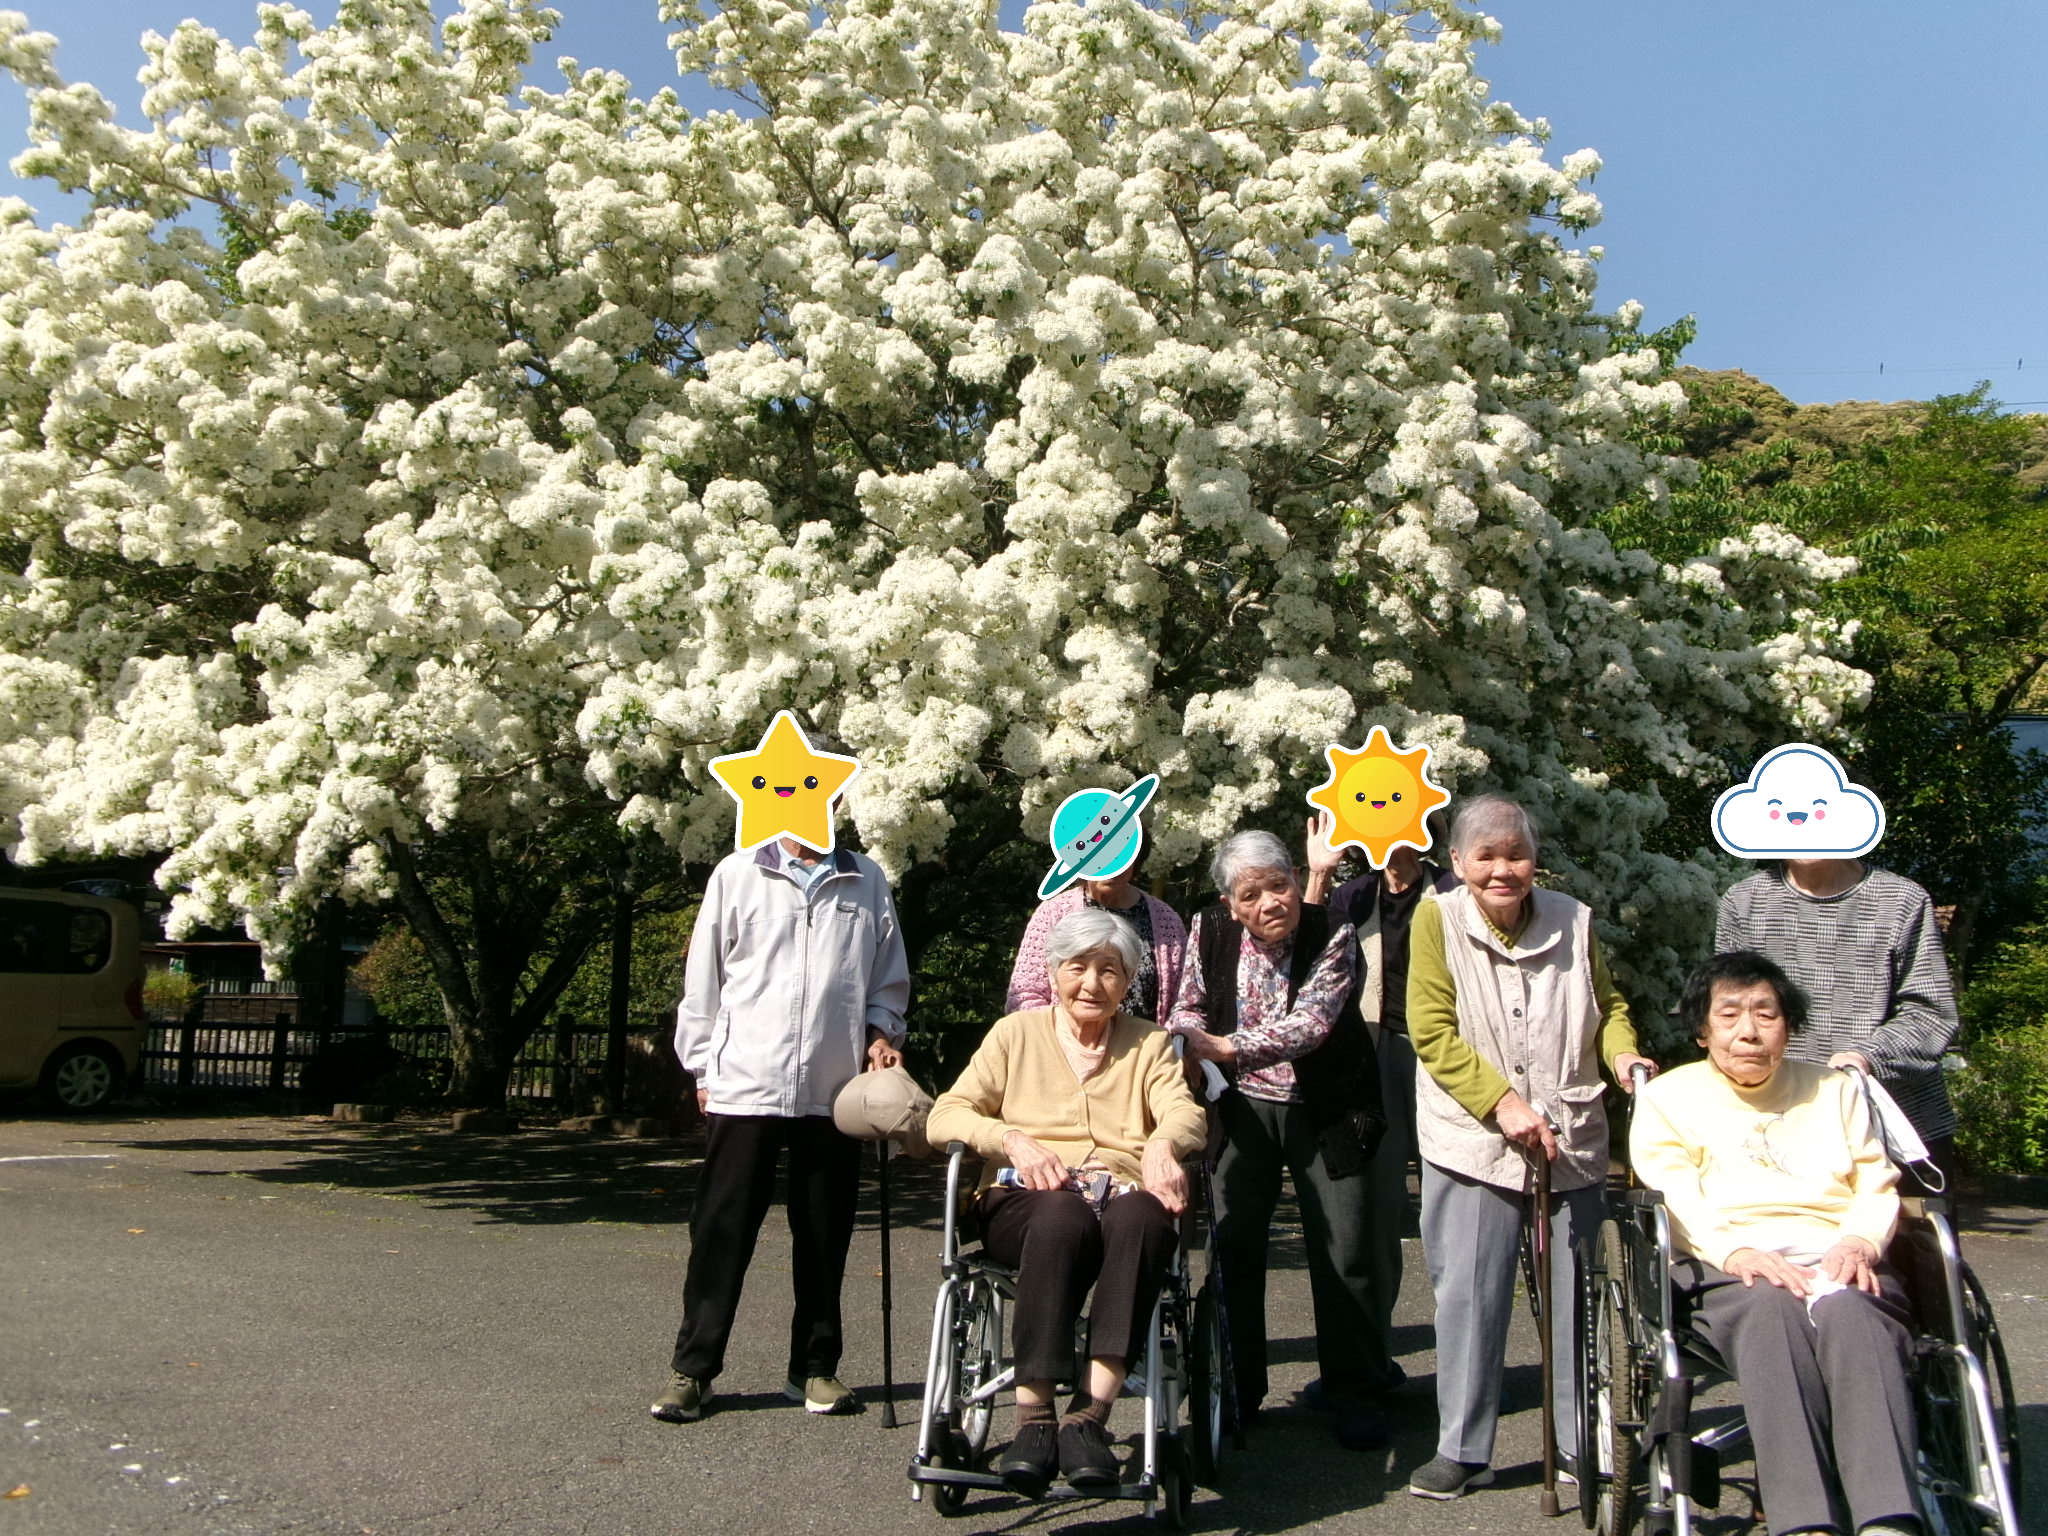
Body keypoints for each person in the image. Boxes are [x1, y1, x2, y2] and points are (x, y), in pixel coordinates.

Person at [1404, 795, 1654, 1500]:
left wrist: (1624, 1055)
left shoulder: (1575, 919)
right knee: (1470, 1297)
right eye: (1485, 856)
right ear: (1458, 862)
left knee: (1580, 1296)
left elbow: (1608, 1008)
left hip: (1569, 1134)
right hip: (1472, 1139)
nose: (1502, 869)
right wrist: (1502, 1103)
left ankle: (1581, 1440)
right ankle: (1463, 1451)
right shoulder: (1436, 918)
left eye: (1515, 854)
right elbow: (1431, 1029)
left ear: (1533, 859)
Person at [1631, 951, 1921, 1536]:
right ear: (1702, 1030)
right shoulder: (1668, 1098)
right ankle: (1804, 1520)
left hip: (1837, 1254)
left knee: (1853, 1317)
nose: (1749, 1031)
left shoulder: (1834, 1090)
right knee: (1771, 1314)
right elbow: (1674, 1194)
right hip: (1728, 1265)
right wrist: (1735, 1252)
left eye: (1766, 1014)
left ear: (1788, 1025)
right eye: (1729, 1014)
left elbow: (1876, 1181)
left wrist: (1860, 1241)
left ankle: (1887, 1517)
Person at [927, 909, 1207, 1497]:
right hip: (1025, 1201)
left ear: (1127, 982)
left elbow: (1183, 1111)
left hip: (1120, 1194)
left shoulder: (1150, 1043)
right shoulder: (1015, 1035)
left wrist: (1162, 1144)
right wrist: (1009, 1138)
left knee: (1144, 1216)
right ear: (1053, 973)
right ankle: (1034, 1419)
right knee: (1061, 1213)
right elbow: (946, 1114)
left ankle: (1087, 1417)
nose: (1092, 983)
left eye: (1110, 970)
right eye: (1077, 967)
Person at [653, 831, 911, 1423]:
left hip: (836, 1087)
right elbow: (704, 979)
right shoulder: (737, 872)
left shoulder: (866, 878)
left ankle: (814, 1369)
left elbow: (887, 979)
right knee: (721, 1231)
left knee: (824, 1231)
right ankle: (693, 1370)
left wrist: (880, 1034)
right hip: (746, 1082)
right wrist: (703, 1066)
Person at [1166, 829, 1392, 1451]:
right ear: (1230, 904)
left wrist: (1223, 1046)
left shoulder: (1333, 929)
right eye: (1251, 895)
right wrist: (1188, 1042)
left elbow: (1312, 1024)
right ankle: (1236, 1389)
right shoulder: (1209, 928)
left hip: (1329, 1105)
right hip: (1242, 1106)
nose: (1270, 902)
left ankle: (1356, 1391)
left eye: (1278, 885)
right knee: (1233, 1245)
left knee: (1344, 1251)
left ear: (1296, 878)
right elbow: (1186, 1004)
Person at [1303, 809, 1457, 1407]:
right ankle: (1371, 1361)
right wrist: (1318, 876)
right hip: (1372, 1054)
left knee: (1452, 1212)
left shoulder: (1454, 893)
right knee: (1375, 1212)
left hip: (1446, 1057)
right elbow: (1305, 947)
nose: (1393, 843)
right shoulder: (1354, 897)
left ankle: (1465, 1370)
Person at [1715, 856, 1960, 1185]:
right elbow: (1728, 1006)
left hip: (1894, 1130)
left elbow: (1930, 1013)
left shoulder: (1902, 899)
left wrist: (1866, 1057)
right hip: (1780, 1126)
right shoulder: (1744, 899)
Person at [1007, 826, 1187, 1022]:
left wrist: (1167, 1038)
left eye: (1121, 855)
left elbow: (1184, 1001)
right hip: (1065, 1040)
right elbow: (1025, 996)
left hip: (1145, 1040)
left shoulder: (1166, 919)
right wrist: (1057, 1036)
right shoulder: (1052, 913)